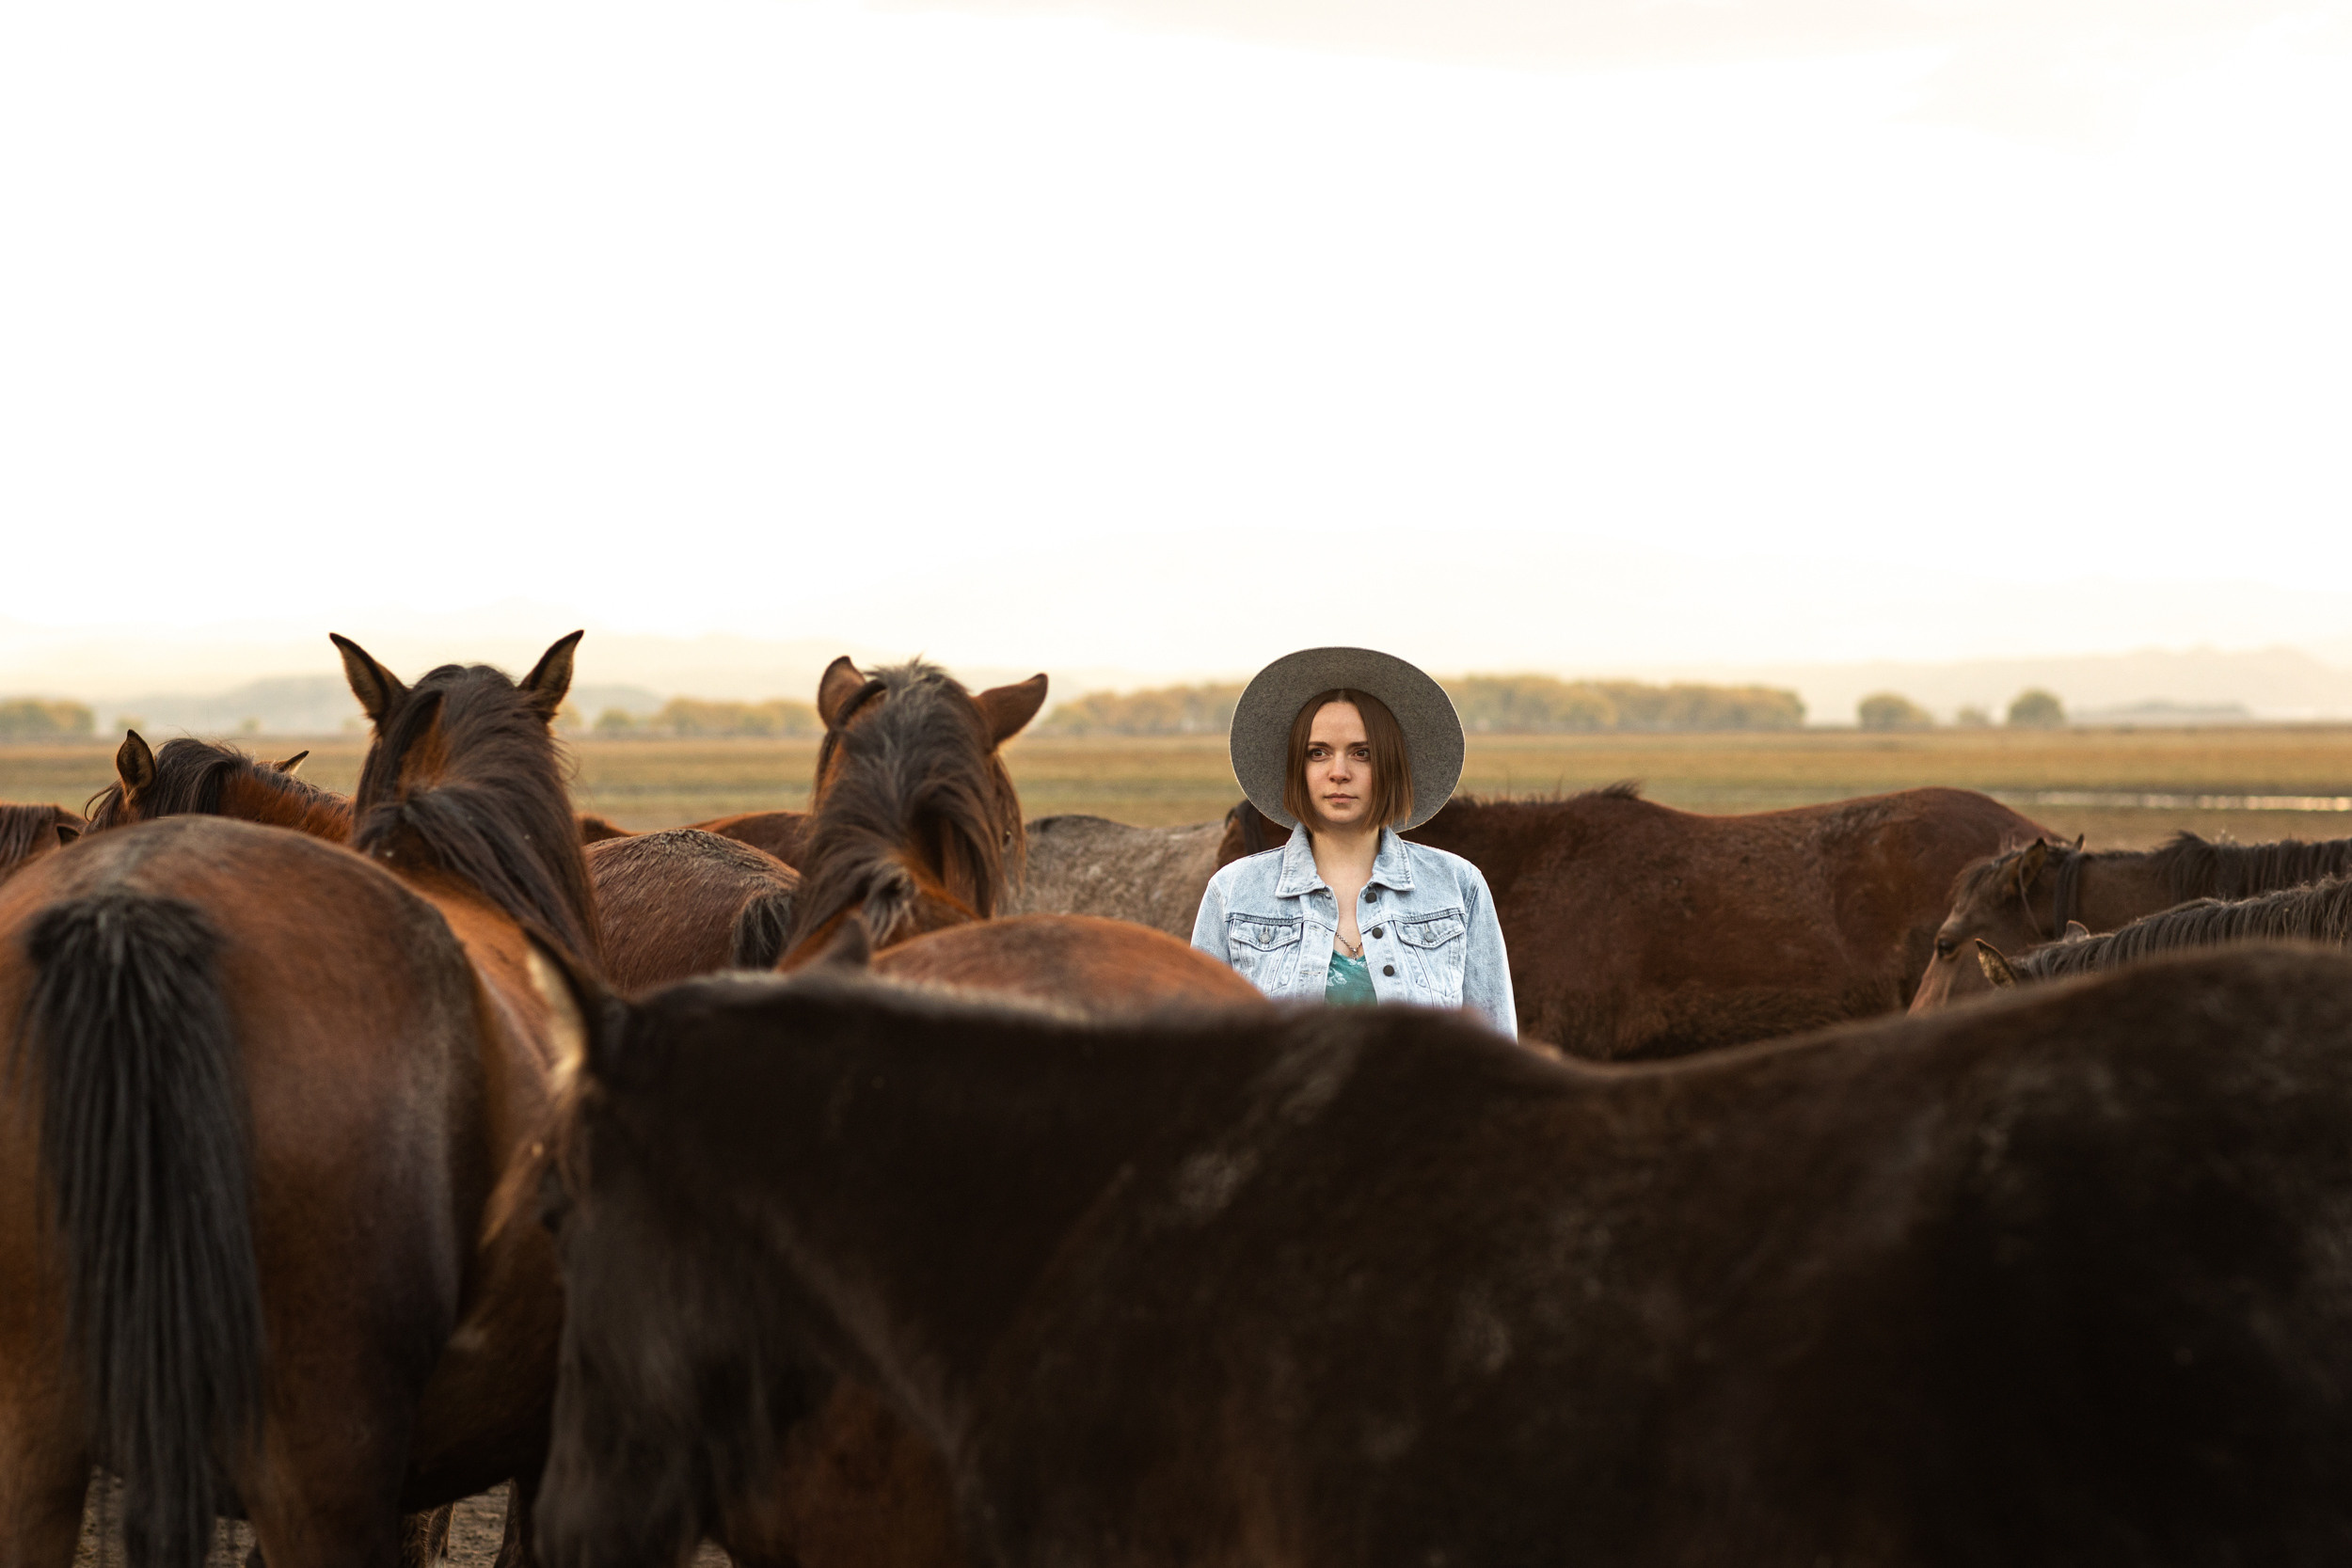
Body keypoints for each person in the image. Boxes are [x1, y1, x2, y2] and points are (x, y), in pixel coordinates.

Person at [1191, 646, 1516, 1037]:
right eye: (1318, 753)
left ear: (1391, 765)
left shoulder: (1458, 887)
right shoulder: (1233, 893)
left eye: (1362, 753)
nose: (1339, 772)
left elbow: (1495, 1053)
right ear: (1297, 767)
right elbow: (1202, 1054)